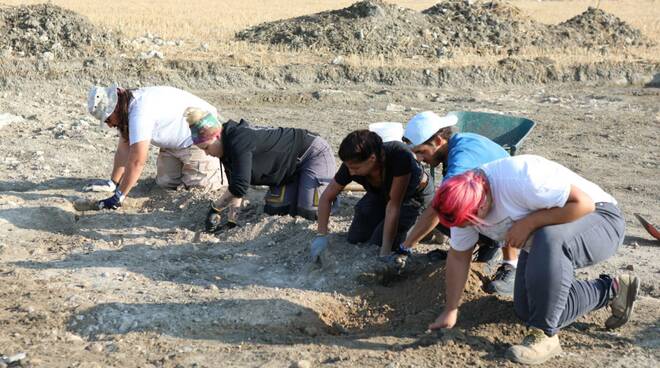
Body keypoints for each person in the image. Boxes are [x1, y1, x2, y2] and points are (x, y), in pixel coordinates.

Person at [428, 154, 638, 365]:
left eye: (469, 222)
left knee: (548, 238)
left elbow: (584, 204)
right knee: (529, 309)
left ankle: (545, 337)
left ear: (481, 204)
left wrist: (530, 223)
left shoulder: (521, 178)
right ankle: (613, 289)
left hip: (602, 220)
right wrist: (451, 309)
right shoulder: (459, 203)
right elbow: (459, 256)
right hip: (544, 244)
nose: (467, 227)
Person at [399, 111, 517, 295]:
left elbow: (438, 206)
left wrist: (405, 247)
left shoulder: (462, 156)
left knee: (444, 209)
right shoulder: (457, 142)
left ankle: (511, 266)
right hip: (491, 203)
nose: (420, 159)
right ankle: (473, 252)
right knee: (447, 215)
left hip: (513, 207)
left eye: (421, 152)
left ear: (438, 140)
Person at [186, 109, 335, 227]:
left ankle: (326, 193)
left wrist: (216, 208)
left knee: (310, 212)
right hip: (286, 169)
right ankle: (301, 186)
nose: (206, 153)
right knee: (276, 212)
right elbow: (236, 184)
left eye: (206, 147)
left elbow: (240, 185)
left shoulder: (238, 140)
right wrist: (232, 219)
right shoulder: (225, 148)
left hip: (312, 154)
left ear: (217, 136)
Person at [85, 85, 224, 210]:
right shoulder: (127, 107)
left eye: (108, 119)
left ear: (115, 108)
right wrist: (113, 183)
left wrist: (119, 197)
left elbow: (137, 161)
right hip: (172, 142)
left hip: (200, 137)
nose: (109, 125)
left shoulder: (139, 111)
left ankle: (222, 169)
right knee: (166, 183)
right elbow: (124, 148)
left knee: (202, 187)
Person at [311, 130, 433, 262]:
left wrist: (384, 252)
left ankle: (426, 229)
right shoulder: (352, 163)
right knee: (355, 237)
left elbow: (394, 206)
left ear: (372, 159)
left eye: (356, 168)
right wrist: (321, 235)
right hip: (382, 195)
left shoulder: (399, 156)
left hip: (412, 197)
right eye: (349, 167)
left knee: (379, 243)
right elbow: (327, 197)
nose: (351, 172)